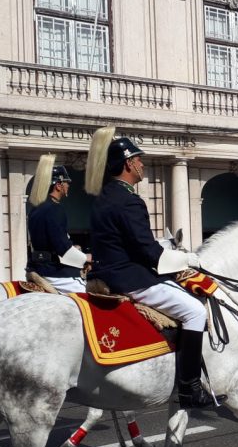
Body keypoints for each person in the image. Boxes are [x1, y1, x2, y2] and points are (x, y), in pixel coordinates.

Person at [85, 126, 224, 409]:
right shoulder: (129, 200)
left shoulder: (103, 198)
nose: (142, 164)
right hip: (129, 278)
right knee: (195, 311)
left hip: (104, 274)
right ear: (128, 164)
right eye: (139, 159)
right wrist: (188, 260)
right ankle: (189, 388)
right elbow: (148, 252)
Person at [27, 154, 90, 293]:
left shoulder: (36, 209)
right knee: (89, 294)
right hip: (52, 271)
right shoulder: (55, 209)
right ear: (58, 185)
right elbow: (62, 248)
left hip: (36, 266)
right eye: (67, 182)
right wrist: (86, 258)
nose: (68, 186)